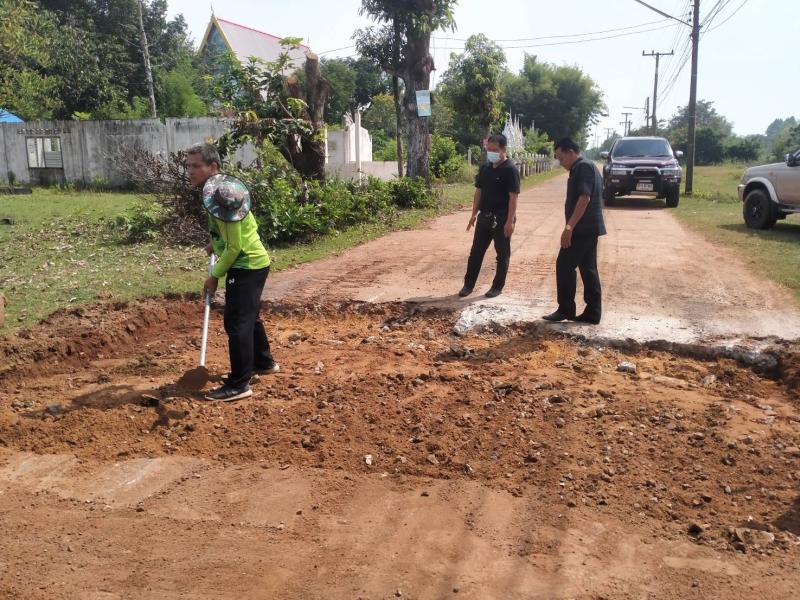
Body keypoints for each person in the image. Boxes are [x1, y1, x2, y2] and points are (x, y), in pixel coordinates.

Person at [185, 143, 279, 401]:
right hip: (254, 261)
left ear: (212, 167)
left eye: (196, 166)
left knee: (237, 322)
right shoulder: (219, 190)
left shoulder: (225, 196)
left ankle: (239, 384)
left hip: (246, 265)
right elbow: (239, 230)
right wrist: (215, 243)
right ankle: (263, 362)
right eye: (188, 166)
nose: (190, 171)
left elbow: (235, 247)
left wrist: (214, 275)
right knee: (249, 317)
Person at [543, 138, 606, 324]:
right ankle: (593, 312)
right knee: (588, 269)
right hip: (590, 227)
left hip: (582, 229)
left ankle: (566, 309)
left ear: (570, 152)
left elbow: (584, 199)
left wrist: (569, 227)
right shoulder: (587, 166)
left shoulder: (582, 167)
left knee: (564, 265)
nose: (560, 162)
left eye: (561, 158)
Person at [459, 133, 520, 299]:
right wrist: (473, 214)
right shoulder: (485, 168)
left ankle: (497, 287)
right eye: (489, 149)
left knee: (502, 254)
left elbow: (513, 198)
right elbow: (478, 191)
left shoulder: (511, 170)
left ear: (503, 149)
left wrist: (510, 221)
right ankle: (468, 285)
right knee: (476, 252)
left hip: (502, 218)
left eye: (494, 150)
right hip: (484, 217)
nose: (491, 153)